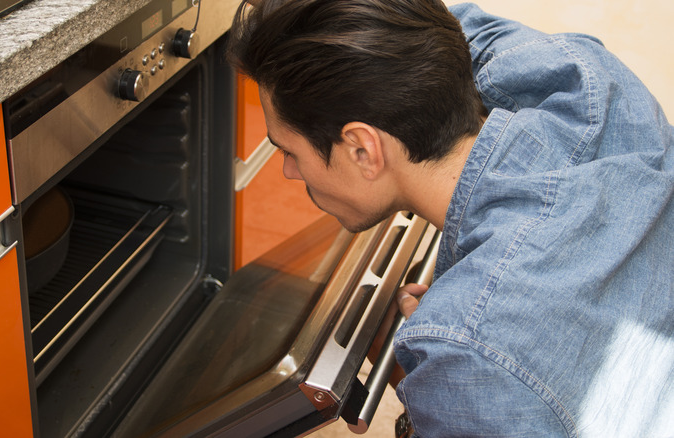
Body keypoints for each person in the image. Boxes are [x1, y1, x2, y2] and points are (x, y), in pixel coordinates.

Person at [227, 0, 674, 436]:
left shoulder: (468, 347)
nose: (287, 170)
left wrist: (439, 383)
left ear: (363, 150)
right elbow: (439, 28)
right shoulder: (579, 71)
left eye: (288, 149)